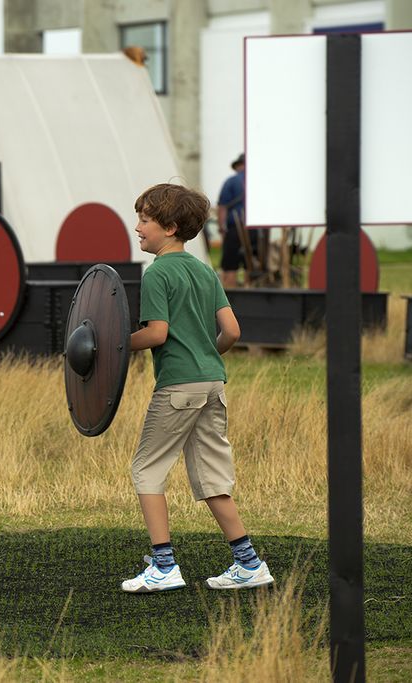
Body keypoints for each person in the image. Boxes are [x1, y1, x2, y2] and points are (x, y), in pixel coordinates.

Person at [122, 182, 274, 593]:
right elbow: (232, 331)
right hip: (212, 382)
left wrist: (117, 345)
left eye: (145, 220)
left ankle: (164, 566)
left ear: (169, 227)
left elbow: (156, 334)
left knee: (146, 470)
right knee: (211, 478)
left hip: (178, 387)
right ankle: (249, 563)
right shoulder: (204, 271)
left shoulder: (157, 274)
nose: (137, 227)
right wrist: (208, 354)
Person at [216, 153, 257, 288]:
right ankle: (250, 292)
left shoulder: (231, 181)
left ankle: (231, 296)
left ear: (240, 165)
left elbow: (222, 207)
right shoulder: (259, 181)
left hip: (234, 229)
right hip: (255, 229)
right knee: (250, 265)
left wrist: (222, 228)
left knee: (230, 266)